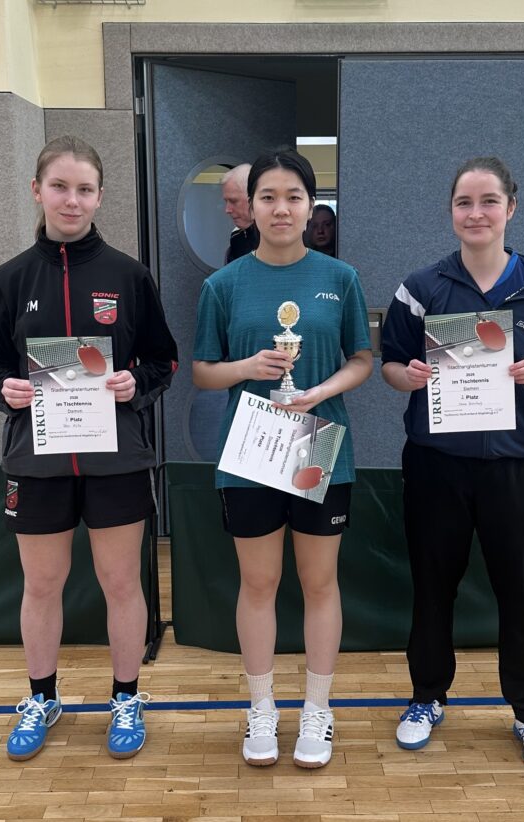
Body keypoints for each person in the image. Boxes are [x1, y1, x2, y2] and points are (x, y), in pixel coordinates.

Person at [0, 135, 178, 762]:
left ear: (100, 196)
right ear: (36, 191)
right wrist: (4, 389)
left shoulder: (129, 275)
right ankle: (42, 698)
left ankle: (126, 698)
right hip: (37, 461)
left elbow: (163, 360)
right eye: (60, 187)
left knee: (121, 581)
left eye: (84, 189)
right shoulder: (9, 279)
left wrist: (135, 383)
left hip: (116, 458)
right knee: (42, 584)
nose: (72, 200)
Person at [380, 157, 524, 771]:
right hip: (437, 465)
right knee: (431, 587)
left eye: (488, 201)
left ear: (510, 208)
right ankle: (426, 697)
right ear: (451, 211)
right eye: (464, 202)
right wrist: (410, 375)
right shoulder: (421, 287)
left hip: (515, 465)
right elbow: (390, 366)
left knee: (520, 593)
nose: (476, 213)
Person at [192, 148, 373, 769]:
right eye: (268, 197)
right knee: (259, 583)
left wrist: (319, 392)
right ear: (251, 207)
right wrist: (248, 367)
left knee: (320, 584)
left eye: (293, 197)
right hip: (252, 450)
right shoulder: (222, 285)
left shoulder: (340, 278)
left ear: (310, 205)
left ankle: (318, 710)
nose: (281, 208)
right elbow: (203, 372)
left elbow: (362, 359)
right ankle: (262, 707)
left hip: (320, 443)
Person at [221, 163, 259, 263]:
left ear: (254, 197)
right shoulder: (237, 238)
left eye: (233, 201)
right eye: (226, 201)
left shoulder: (284, 234)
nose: (227, 210)